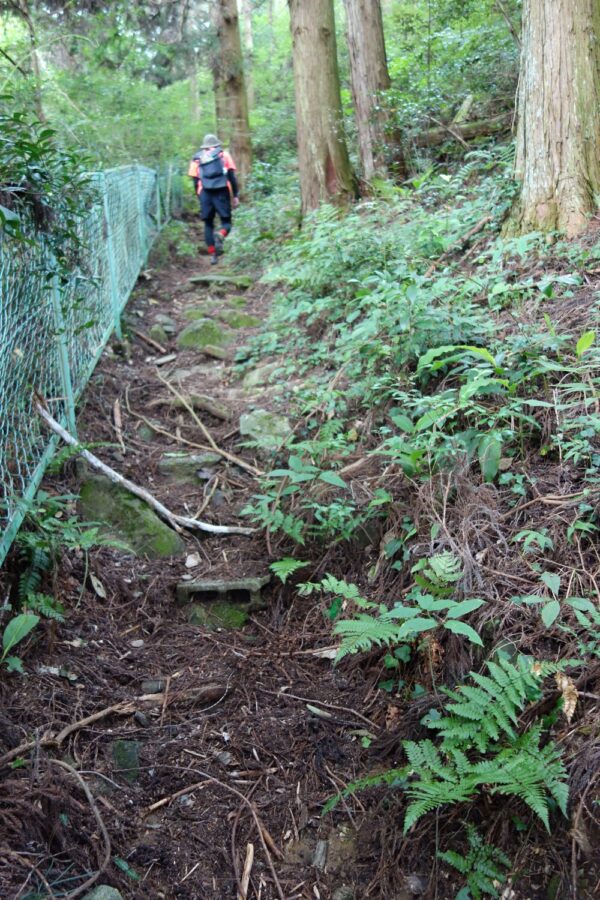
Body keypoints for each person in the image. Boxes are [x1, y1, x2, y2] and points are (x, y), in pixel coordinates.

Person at [188, 134, 240, 265]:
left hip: (204, 192)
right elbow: (232, 176)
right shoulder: (224, 155)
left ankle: (213, 255)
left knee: (208, 224)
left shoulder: (197, 158)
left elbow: (195, 180)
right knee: (226, 222)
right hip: (222, 190)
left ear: (204, 145)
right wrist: (235, 195)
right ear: (217, 144)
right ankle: (221, 234)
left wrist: (199, 194)